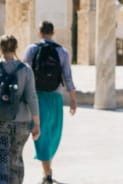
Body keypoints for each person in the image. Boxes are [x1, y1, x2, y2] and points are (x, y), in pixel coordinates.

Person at [23, 21, 77, 184]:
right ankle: (47, 173)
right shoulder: (62, 52)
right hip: (55, 97)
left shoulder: (32, 49)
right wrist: (73, 100)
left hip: (36, 96)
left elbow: (25, 72)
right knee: (52, 133)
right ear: (53, 33)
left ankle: (47, 171)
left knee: (41, 134)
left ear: (40, 32)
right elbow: (67, 77)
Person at [0, 34, 40, 184]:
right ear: (16, 48)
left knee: (2, 157)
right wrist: (36, 123)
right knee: (16, 157)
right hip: (22, 122)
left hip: (1, 121)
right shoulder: (25, 69)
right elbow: (32, 97)